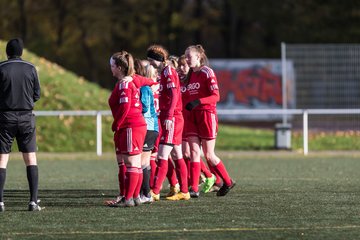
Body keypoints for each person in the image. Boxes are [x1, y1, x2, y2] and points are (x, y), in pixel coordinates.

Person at [184, 44, 236, 197]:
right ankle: (193, 189)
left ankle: (227, 181)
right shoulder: (189, 75)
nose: (187, 60)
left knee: (209, 155)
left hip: (207, 115)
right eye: (185, 56)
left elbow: (216, 96)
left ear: (198, 57)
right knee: (193, 152)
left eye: (189, 57)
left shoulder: (207, 72)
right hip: (192, 117)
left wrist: (198, 102)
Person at [0, 38, 41, 212]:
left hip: (4, 117)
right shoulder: (31, 68)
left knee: (2, 160)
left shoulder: (1, 67)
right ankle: (33, 201)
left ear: (7, 52)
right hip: (26, 117)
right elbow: (37, 94)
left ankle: (0, 202)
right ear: (22, 52)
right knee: (30, 158)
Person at [147, 45, 190, 201]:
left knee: (162, 156)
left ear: (159, 59)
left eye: (152, 61)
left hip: (172, 117)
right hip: (171, 116)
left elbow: (173, 95)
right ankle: (184, 191)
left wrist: (169, 116)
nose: (151, 64)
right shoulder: (164, 72)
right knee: (177, 155)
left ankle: (155, 191)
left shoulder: (169, 71)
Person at [108, 51, 147, 207]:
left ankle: (128, 198)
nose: (110, 69)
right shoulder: (129, 81)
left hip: (131, 126)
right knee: (135, 164)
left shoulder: (125, 83)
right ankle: (135, 196)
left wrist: (117, 123)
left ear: (119, 67)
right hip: (135, 125)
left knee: (131, 163)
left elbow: (125, 106)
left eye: (112, 66)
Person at [177, 55, 216, 196]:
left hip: (192, 119)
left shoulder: (194, 80)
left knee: (191, 153)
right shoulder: (179, 81)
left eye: (184, 66)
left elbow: (214, 96)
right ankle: (192, 183)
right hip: (182, 121)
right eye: (179, 66)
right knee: (186, 154)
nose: (181, 69)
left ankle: (208, 177)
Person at [134, 59, 159, 204]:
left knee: (142, 163)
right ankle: (145, 193)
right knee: (146, 162)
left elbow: (143, 108)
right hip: (152, 127)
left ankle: (145, 194)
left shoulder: (143, 88)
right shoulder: (146, 86)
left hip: (147, 127)